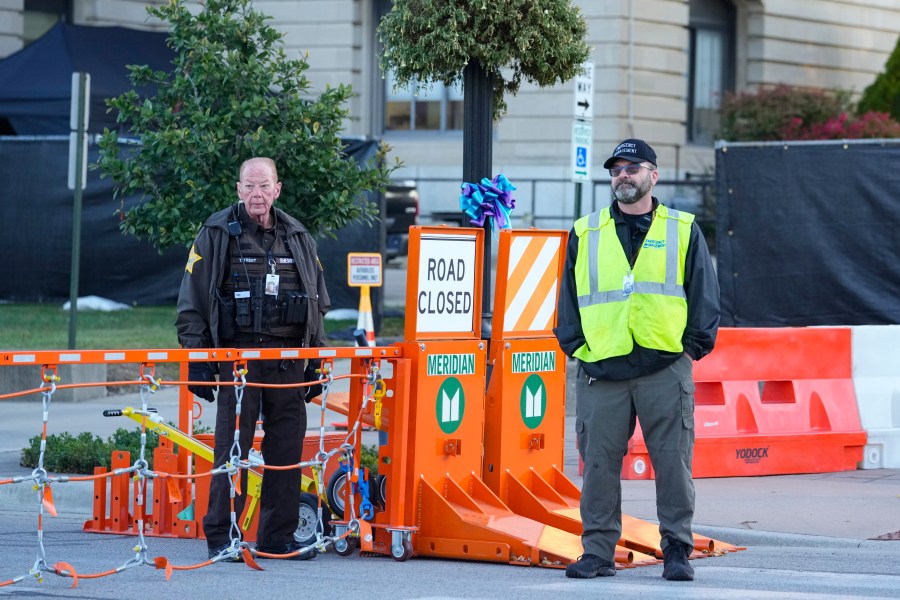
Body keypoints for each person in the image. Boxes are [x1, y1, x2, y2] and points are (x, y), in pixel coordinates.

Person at [554, 139, 720, 581]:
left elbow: (704, 293)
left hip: (664, 365)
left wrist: (690, 349)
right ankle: (598, 553)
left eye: (632, 167)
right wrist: (575, 347)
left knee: (673, 461)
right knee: (599, 465)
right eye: (616, 170)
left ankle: (677, 551)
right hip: (602, 368)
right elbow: (568, 299)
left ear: (653, 175)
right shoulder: (585, 231)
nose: (622, 175)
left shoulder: (683, 228)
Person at [176, 157, 329, 561]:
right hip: (237, 359)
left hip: (287, 360)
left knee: (287, 448)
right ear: (238, 190)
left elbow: (318, 302)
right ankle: (222, 536)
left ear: (277, 189)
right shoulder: (215, 233)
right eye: (249, 187)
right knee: (232, 449)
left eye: (264, 186)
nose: (257, 195)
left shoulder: (297, 236)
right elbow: (191, 302)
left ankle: (277, 537)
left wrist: (315, 360)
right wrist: (198, 359)